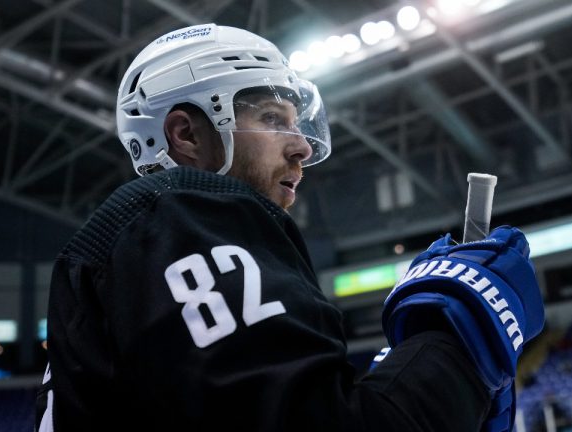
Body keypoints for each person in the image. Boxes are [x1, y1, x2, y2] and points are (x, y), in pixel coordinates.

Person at [35, 23, 545, 431]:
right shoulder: (181, 215)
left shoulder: (133, 245)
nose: (302, 146)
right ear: (187, 133)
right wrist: (461, 325)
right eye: (274, 119)